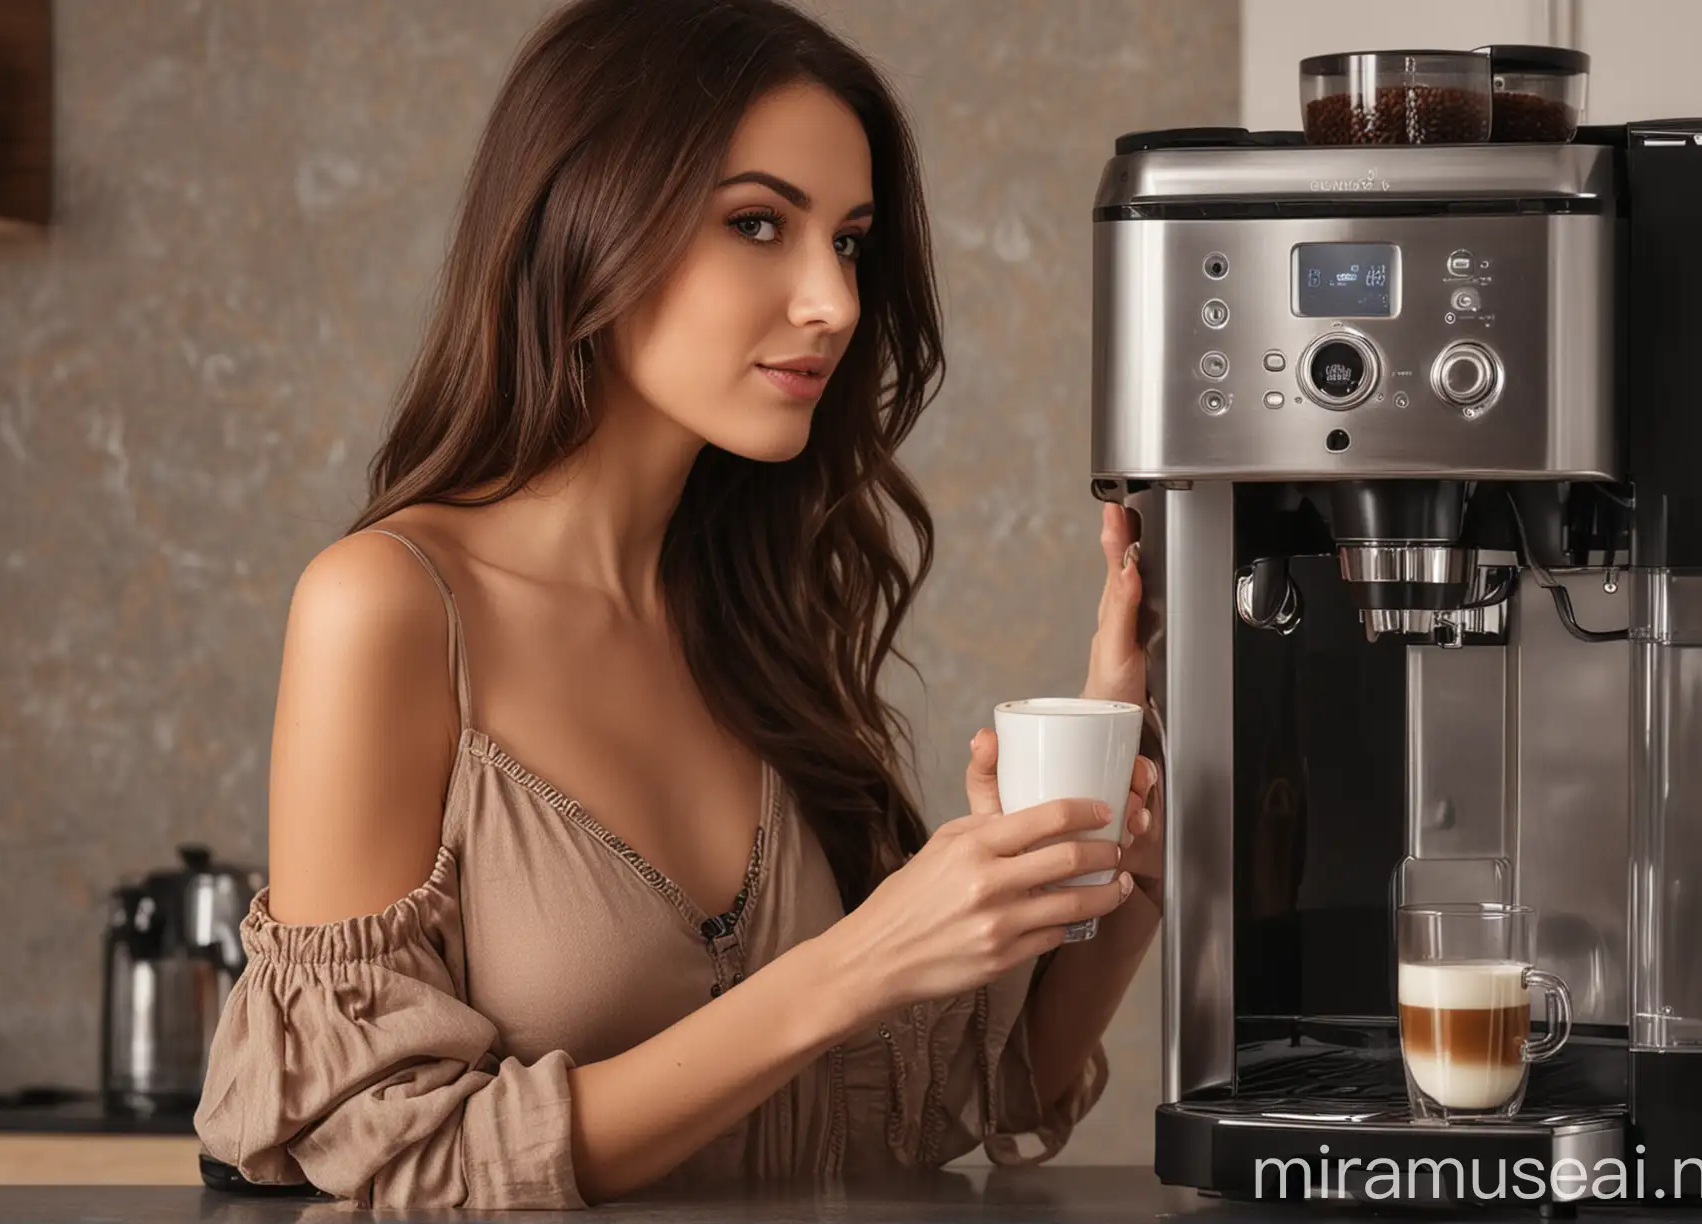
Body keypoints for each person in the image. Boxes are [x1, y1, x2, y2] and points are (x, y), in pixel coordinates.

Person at [193, 0, 1161, 1209]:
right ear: (587, 225)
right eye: (758, 224)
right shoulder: (389, 610)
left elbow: (964, 1100)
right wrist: (857, 961)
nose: (836, 303)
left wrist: (1102, 856)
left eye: (850, 242)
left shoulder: (753, 612)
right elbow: (393, 1158)